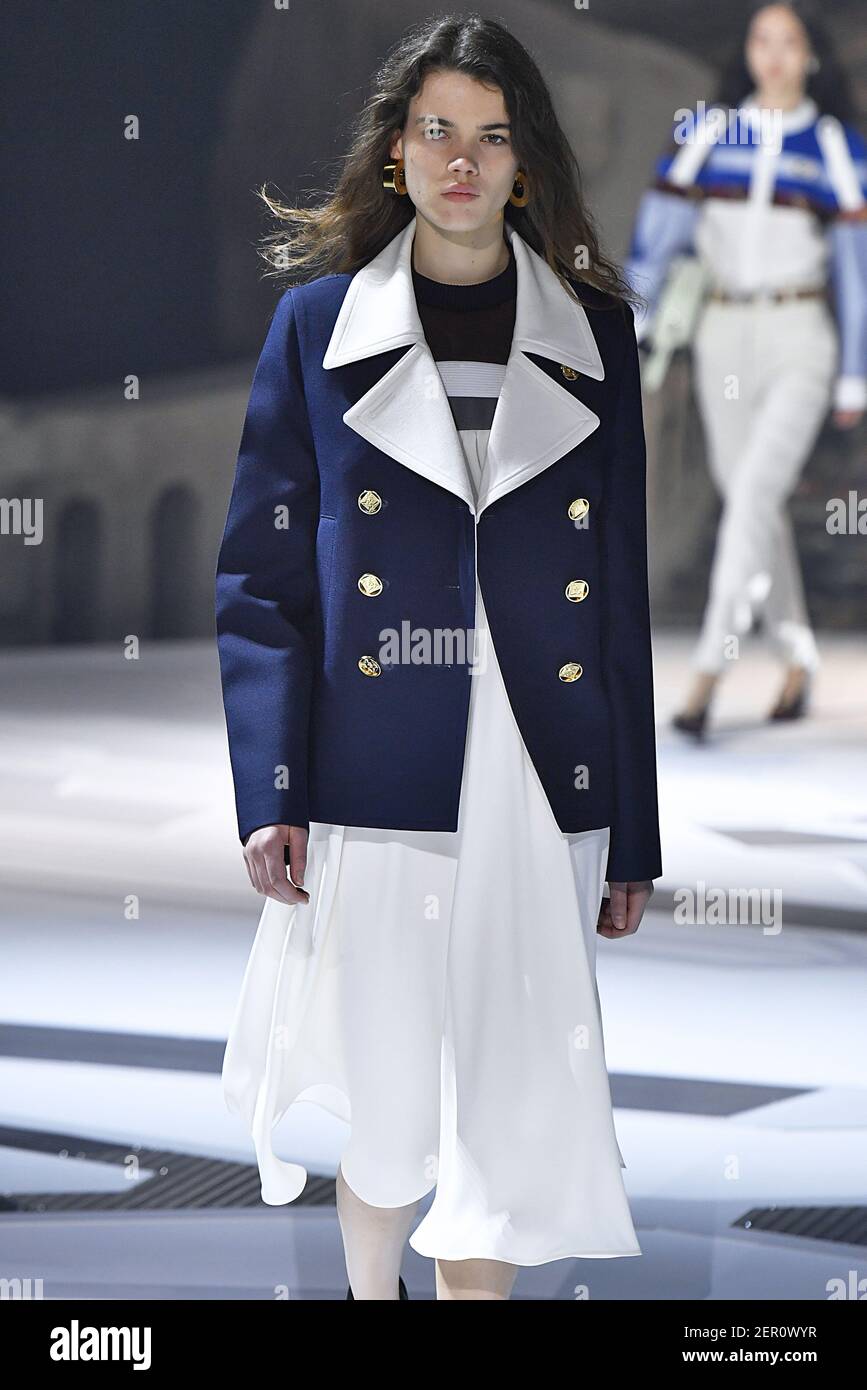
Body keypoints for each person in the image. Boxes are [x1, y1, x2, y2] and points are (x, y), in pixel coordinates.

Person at [215, 13, 662, 1301]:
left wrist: (630, 831)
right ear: (397, 154)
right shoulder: (315, 331)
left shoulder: (596, 337)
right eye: (436, 133)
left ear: (524, 165)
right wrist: (272, 792)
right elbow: (261, 582)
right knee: (396, 1106)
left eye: (491, 137)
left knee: (511, 1109)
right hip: (377, 776)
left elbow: (614, 599)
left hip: (540, 772)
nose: (462, 163)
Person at [625, 1, 867, 737]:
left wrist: (855, 370)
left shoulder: (834, 147)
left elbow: (856, 271)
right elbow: (659, 232)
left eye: (788, 41)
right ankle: (796, 655)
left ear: (811, 57)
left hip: (801, 336)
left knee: (752, 495)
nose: (773, 54)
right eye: (761, 39)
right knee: (749, 502)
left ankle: (706, 672)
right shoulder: (704, 135)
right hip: (722, 333)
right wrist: (638, 312)